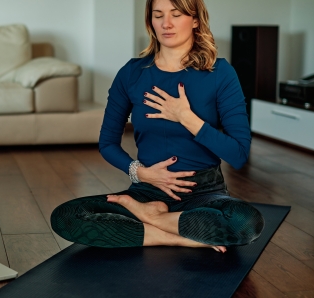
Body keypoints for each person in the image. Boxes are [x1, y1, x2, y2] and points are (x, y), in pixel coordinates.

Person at [50, 0, 264, 253]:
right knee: (67, 215)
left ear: (195, 20)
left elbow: (238, 155)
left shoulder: (220, 73)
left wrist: (186, 117)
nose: (167, 23)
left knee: (247, 222)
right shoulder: (132, 73)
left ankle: (154, 221)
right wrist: (140, 173)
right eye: (158, 15)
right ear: (150, 21)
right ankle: (176, 235)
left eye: (176, 14)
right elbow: (107, 143)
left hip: (204, 192)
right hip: (148, 191)